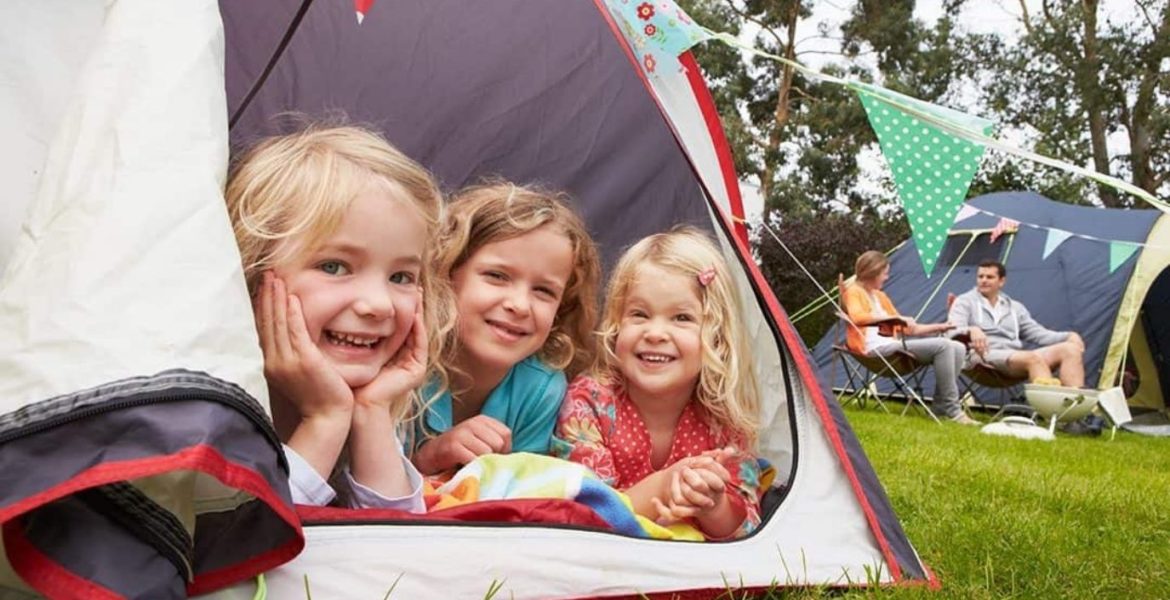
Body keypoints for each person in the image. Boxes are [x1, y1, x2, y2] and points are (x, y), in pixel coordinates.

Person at [226, 123, 451, 510]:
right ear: (250, 275)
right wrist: (324, 419)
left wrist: (373, 414)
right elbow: (247, 538)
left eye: (401, 277)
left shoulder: (372, 403)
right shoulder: (210, 418)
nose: (378, 304)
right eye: (334, 267)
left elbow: (399, 542)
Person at [552, 227, 763, 540]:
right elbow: (586, 516)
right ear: (616, 324)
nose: (655, 333)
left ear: (716, 338)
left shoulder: (724, 418)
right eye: (639, 314)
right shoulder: (589, 402)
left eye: (681, 318)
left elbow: (748, 529)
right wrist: (664, 485)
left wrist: (713, 505)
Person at [410, 183, 601, 476]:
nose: (520, 305)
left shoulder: (541, 388)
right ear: (446, 274)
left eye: (544, 291)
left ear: (562, 308)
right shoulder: (405, 362)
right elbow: (362, 485)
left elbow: (520, 491)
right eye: (497, 276)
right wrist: (428, 459)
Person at [840, 251, 977, 425]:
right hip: (874, 351)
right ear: (873, 272)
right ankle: (953, 409)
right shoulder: (854, 292)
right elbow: (857, 317)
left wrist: (940, 326)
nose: (887, 277)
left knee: (957, 347)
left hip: (892, 346)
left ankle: (940, 407)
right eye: (885, 273)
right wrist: (894, 318)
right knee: (944, 346)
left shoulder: (880, 296)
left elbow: (908, 328)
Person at [948, 259, 1085, 387]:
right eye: (980, 276)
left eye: (989, 277)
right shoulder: (964, 301)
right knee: (1033, 358)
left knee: (1070, 350)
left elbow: (1037, 333)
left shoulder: (1015, 307)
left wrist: (1069, 336)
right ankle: (1050, 405)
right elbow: (952, 330)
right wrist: (971, 330)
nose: (983, 280)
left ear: (1001, 281)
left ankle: (1074, 402)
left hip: (1014, 357)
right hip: (982, 357)